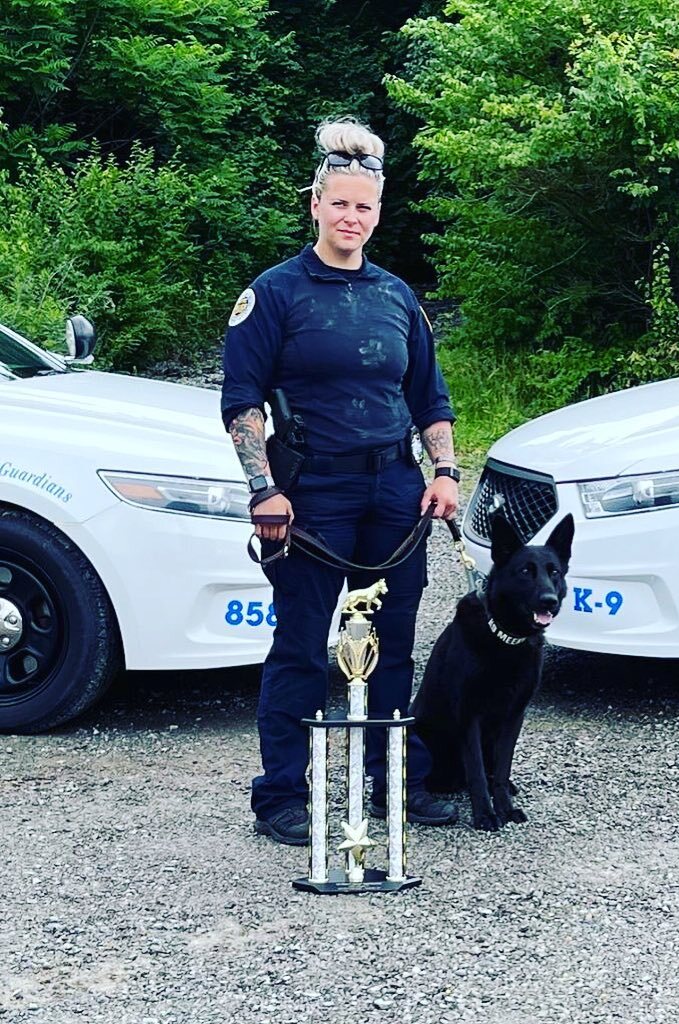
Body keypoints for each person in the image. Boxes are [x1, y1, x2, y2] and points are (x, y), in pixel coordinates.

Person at [220, 118, 461, 845]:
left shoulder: (396, 297)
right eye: (340, 204)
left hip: (394, 487)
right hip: (311, 493)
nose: (352, 218)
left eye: (365, 207)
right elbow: (241, 402)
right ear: (316, 205)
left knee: (390, 641)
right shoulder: (275, 294)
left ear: (377, 215)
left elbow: (430, 397)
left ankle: (394, 782)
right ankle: (282, 797)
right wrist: (265, 490)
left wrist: (445, 471)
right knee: (301, 647)